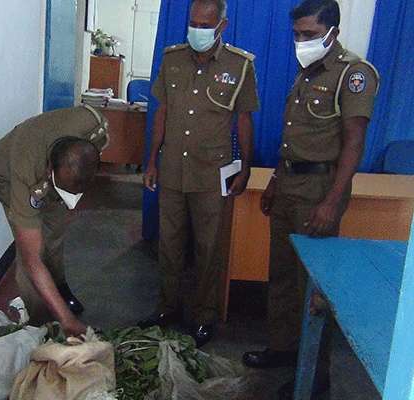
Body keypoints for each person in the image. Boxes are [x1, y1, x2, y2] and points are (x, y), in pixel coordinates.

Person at [241, 0, 380, 398]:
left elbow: (354, 143)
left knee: (313, 288)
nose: (300, 42)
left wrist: (332, 202)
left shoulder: (353, 74)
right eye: (297, 34)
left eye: (309, 34)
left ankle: (316, 377)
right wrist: (274, 181)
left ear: (333, 31)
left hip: (319, 191)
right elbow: (295, 137)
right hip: (289, 185)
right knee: (282, 275)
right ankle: (284, 349)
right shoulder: (308, 71)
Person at [140, 0, 260, 347]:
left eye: (205, 26)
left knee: (209, 249)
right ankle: (167, 307)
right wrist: (152, 160)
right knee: (169, 244)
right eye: (193, 23)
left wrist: (246, 167)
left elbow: (244, 120)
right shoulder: (172, 59)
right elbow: (162, 112)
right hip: (172, 169)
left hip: (212, 174)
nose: (197, 31)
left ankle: (204, 315)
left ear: (222, 26)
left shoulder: (240, 65)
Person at [0, 105, 109, 337]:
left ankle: (60, 289)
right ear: (50, 170)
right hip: (6, 177)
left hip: (52, 175)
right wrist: (68, 321)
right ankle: (41, 323)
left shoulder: (93, 125)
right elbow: (31, 260)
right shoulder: (27, 175)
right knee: (33, 251)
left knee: (54, 236)